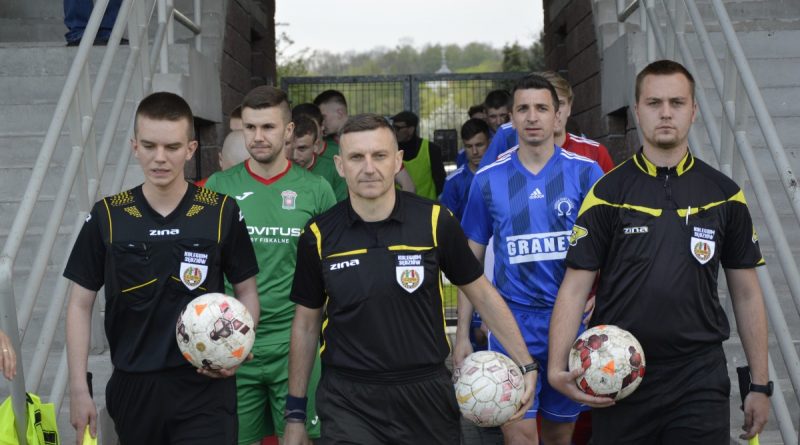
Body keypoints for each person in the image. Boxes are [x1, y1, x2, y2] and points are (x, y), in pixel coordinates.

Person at [548, 59, 771, 445]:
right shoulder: (607, 193)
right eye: (654, 103)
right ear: (637, 110)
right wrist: (556, 367)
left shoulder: (724, 194)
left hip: (698, 377)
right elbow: (574, 287)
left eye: (676, 103)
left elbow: (747, 293)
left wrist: (761, 385)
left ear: (693, 111)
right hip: (619, 371)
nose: (666, 113)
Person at [283, 113, 537, 445]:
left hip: (426, 397)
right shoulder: (318, 234)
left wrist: (526, 364)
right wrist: (295, 414)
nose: (369, 167)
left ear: (397, 161)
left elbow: (482, 294)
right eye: (357, 157)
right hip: (349, 399)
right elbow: (305, 325)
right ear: (340, 165)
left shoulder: (434, 220)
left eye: (379, 155)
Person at [64, 91, 260, 444]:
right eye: (149, 146)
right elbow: (80, 304)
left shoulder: (221, 211)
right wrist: (79, 388)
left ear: (190, 149)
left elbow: (246, 291)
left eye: (172, 147)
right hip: (135, 386)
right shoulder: (108, 215)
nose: (160, 158)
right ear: (134, 146)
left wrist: (237, 348)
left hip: (205, 387)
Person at [456, 74, 604, 445]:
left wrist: (600, 296)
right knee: (520, 434)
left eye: (542, 108)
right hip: (511, 324)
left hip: (568, 323)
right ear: (512, 119)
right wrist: (462, 335)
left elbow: (612, 249)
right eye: (523, 109)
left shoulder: (586, 173)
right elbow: (468, 264)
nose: (532, 117)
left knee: (558, 436)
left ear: (558, 115)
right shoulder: (488, 179)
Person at [204, 86, 336, 445]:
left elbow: (331, 271)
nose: (258, 137)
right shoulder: (218, 187)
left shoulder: (317, 190)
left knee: (300, 439)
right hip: (233, 343)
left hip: (296, 345)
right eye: (250, 127)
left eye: (268, 127)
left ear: (289, 131)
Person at [480, 72, 614, 173]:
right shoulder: (506, 139)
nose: (556, 111)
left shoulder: (595, 153)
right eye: (543, 107)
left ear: (570, 106)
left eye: (560, 104)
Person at [440, 118, 490, 221]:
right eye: (469, 146)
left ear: (490, 142)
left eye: (479, 145)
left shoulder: (502, 174)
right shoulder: (453, 182)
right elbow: (448, 223)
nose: (474, 152)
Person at [289, 114, 348, 202]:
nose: (294, 156)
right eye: (289, 147)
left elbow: (342, 205)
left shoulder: (334, 170)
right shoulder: (277, 170)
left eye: (302, 148)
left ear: (316, 146)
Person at [391, 110, 446, 200]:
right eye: (393, 127)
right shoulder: (391, 150)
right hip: (401, 205)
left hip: (428, 205)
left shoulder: (431, 149)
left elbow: (441, 183)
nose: (394, 132)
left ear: (411, 129)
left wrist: (437, 205)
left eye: (398, 128)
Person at [312, 90, 347, 161]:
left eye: (323, 117)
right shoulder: (321, 143)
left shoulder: (362, 136)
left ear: (340, 113)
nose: (321, 123)